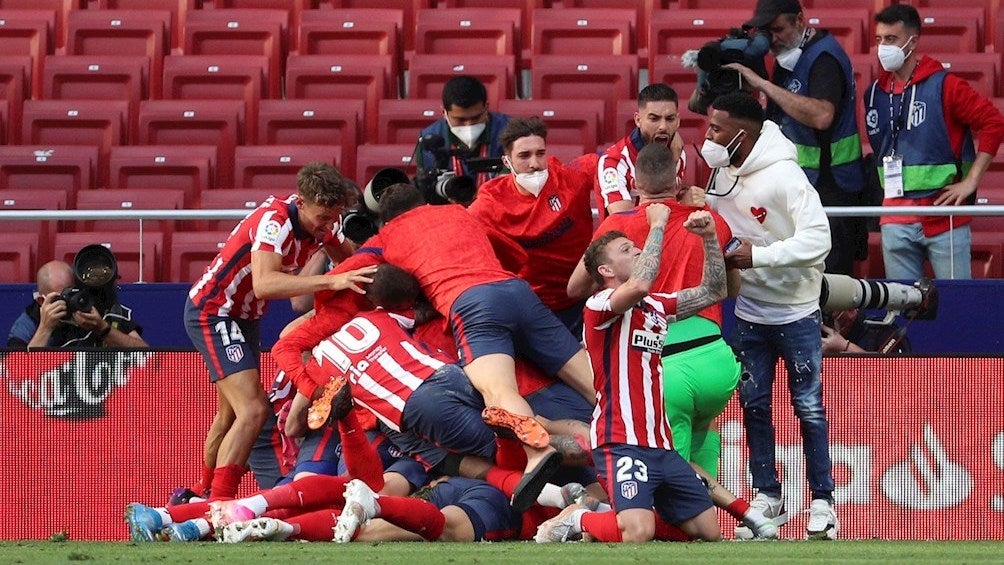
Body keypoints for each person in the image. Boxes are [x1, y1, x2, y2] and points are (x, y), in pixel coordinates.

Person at [272, 182, 598, 514]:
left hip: (462, 326)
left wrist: (333, 286)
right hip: (514, 291)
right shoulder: (460, 213)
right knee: (595, 384)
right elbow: (516, 254)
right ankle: (633, 440)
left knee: (499, 399)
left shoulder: (385, 248)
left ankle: (538, 455)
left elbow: (331, 289)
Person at [183, 161, 378, 502]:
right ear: (301, 203)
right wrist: (333, 279)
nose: (328, 226)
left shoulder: (322, 223)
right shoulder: (275, 222)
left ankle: (201, 491)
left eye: (333, 218)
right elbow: (264, 284)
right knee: (254, 410)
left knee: (230, 414)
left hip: (242, 318)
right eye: (322, 218)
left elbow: (352, 261)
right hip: (215, 312)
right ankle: (218, 501)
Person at [537, 204, 725, 544]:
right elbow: (638, 285)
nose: (637, 250)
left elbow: (714, 292)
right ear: (606, 269)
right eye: (627, 249)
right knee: (638, 533)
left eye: (636, 246)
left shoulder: (655, 305)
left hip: (661, 443)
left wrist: (710, 238)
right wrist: (657, 224)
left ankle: (614, 518)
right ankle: (579, 520)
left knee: (707, 532)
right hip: (621, 440)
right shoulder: (599, 305)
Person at [702, 92, 838, 540]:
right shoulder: (721, 172)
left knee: (809, 408)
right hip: (749, 313)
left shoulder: (785, 176)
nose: (709, 137)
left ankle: (822, 504)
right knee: (754, 407)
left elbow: (819, 239)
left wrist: (759, 257)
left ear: (745, 131)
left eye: (717, 129)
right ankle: (768, 499)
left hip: (796, 312)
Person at [727, 0, 867, 276]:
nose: (772, 40)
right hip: (800, 182)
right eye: (766, 32)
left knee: (831, 283)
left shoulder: (824, 57)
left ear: (800, 21)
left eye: (778, 29)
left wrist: (762, 84)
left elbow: (821, 115)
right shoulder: (788, 56)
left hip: (831, 185)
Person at [864, 4, 1004, 280]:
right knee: (904, 309)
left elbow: (994, 123)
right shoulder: (873, 95)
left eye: (891, 39)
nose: (882, 47)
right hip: (894, 216)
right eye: (879, 40)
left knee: (956, 308)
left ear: (912, 41)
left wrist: (972, 180)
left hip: (945, 215)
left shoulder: (947, 85)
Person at [468, 116, 594, 334]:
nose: (534, 164)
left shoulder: (571, 178)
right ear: (507, 162)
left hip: (583, 299)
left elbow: (620, 158)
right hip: (532, 310)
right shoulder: (491, 203)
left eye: (540, 154)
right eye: (524, 156)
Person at [8, 248, 147, 348]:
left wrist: (102, 328)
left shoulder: (93, 307)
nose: (70, 300)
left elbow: (146, 355)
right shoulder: (28, 322)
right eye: (62, 297)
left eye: (73, 292)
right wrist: (45, 328)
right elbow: (16, 374)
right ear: (41, 301)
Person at [595, 83, 686, 221]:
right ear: (638, 120)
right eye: (654, 119)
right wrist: (684, 205)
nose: (663, 126)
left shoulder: (678, 153)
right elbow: (623, 221)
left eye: (670, 119)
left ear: (678, 121)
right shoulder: (614, 161)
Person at [415, 75, 510, 201]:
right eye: (460, 119)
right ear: (444, 113)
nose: (469, 125)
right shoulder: (429, 141)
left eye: (476, 118)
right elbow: (424, 188)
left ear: (486, 108)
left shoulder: (510, 132)